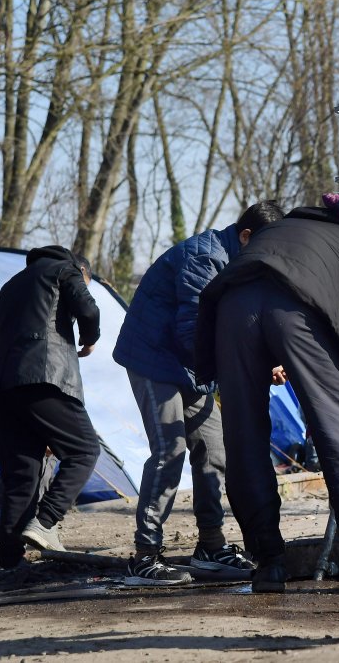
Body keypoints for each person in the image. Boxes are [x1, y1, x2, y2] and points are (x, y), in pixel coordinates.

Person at [192, 193, 339, 594]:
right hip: (295, 309)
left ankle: (268, 565)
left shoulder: (281, 229)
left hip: (231, 307)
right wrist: (334, 383)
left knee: (244, 438)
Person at [113, 201, 285, 586]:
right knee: (169, 450)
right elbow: (192, 332)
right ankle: (144, 555)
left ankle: (210, 546)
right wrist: (250, 367)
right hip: (154, 358)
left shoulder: (240, 262)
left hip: (191, 366)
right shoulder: (203, 259)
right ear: (246, 237)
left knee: (215, 450)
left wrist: (268, 358)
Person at [0, 246, 102, 569]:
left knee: (20, 476)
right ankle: (45, 522)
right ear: (82, 272)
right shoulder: (64, 270)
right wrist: (89, 338)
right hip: (43, 377)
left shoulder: (11, 285)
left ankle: (9, 561)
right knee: (84, 451)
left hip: (0, 387)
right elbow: (88, 311)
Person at [0, 453, 56, 574]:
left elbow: (47, 483)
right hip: (3, 502)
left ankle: (6, 565)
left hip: (30, 507)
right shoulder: (25, 449)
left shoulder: (53, 458)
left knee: (25, 529)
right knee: (6, 525)